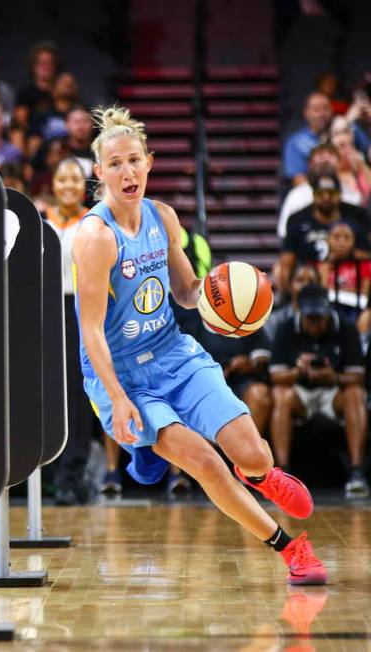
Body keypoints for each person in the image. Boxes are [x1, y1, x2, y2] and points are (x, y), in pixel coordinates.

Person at [73, 105, 327, 585]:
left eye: (134, 161)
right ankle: (291, 549)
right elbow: (90, 331)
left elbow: (187, 292)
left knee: (251, 453)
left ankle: (258, 475)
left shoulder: (164, 217)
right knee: (205, 460)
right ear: (99, 171)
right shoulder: (95, 237)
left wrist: (228, 291)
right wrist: (121, 399)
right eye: (115, 164)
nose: (127, 172)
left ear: (149, 161)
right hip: (121, 373)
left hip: (173, 352)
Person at [269, 284, 368, 497]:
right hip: (300, 392)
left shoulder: (345, 327)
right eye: (310, 318)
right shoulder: (286, 327)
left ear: (328, 311)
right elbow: (275, 376)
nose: (316, 323)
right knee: (280, 395)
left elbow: (358, 375)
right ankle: (283, 474)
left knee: (355, 394)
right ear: (300, 312)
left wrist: (333, 376)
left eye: (319, 317)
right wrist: (298, 371)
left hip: (333, 390)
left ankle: (357, 471)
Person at [41, 158, 97, 505]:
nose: (68, 186)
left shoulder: (92, 223)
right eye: (62, 179)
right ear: (53, 184)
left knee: (79, 395)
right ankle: (53, 474)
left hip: (82, 310)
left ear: (84, 185)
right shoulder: (38, 222)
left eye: (75, 180)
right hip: (46, 312)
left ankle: (74, 474)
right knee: (50, 393)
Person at [275, 171, 370, 294]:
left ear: (340, 194)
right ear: (313, 195)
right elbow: (287, 262)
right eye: (320, 193)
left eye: (331, 193)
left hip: (351, 275)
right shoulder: (297, 219)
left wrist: (347, 254)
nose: (326, 197)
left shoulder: (357, 216)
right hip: (310, 277)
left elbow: (368, 254)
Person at [277, 143, 363, 238]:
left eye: (330, 156)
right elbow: (284, 233)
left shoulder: (350, 193)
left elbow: (361, 232)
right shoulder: (297, 195)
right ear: (309, 164)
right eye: (320, 156)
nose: (325, 159)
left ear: (339, 164)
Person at [316, 221, 371, 321]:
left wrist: (332, 288)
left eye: (347, 238)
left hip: (355, 311)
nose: (342, 242)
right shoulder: (320, 265)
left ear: (354, 241)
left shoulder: (363, 265)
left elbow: (364, 294)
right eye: (336, 237)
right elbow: (320, 293)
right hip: (326, 310)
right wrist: (326, 269)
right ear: (328, 239)